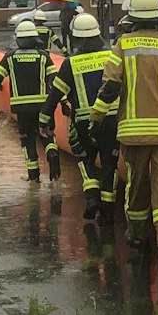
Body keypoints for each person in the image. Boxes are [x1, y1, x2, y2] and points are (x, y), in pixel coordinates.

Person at [92, 0, 158, 268]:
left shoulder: (122, 46)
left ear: (132, 19)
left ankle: (138, 237)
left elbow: (110, 87)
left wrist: (96, 118)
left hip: (134, 134)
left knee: (136, 186)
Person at [49, 12, 119, 220]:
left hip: (82, 123)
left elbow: (56, 92)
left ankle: (91, 198)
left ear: (77, 38)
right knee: (109, 164)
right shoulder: (112, 56)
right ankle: (108, 209)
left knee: (85, 160)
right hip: (111, 120)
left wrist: (45, 116)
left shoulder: (71, 63)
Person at [0, 19, 57, 183]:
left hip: (22, 108)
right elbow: (54, 81)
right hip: (43, 106)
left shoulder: (10, 57)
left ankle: (34, 176)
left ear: (18, 39)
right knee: (47, 135)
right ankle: (52, 154)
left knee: (27, 140)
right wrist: (63, 102)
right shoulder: (44, 56)